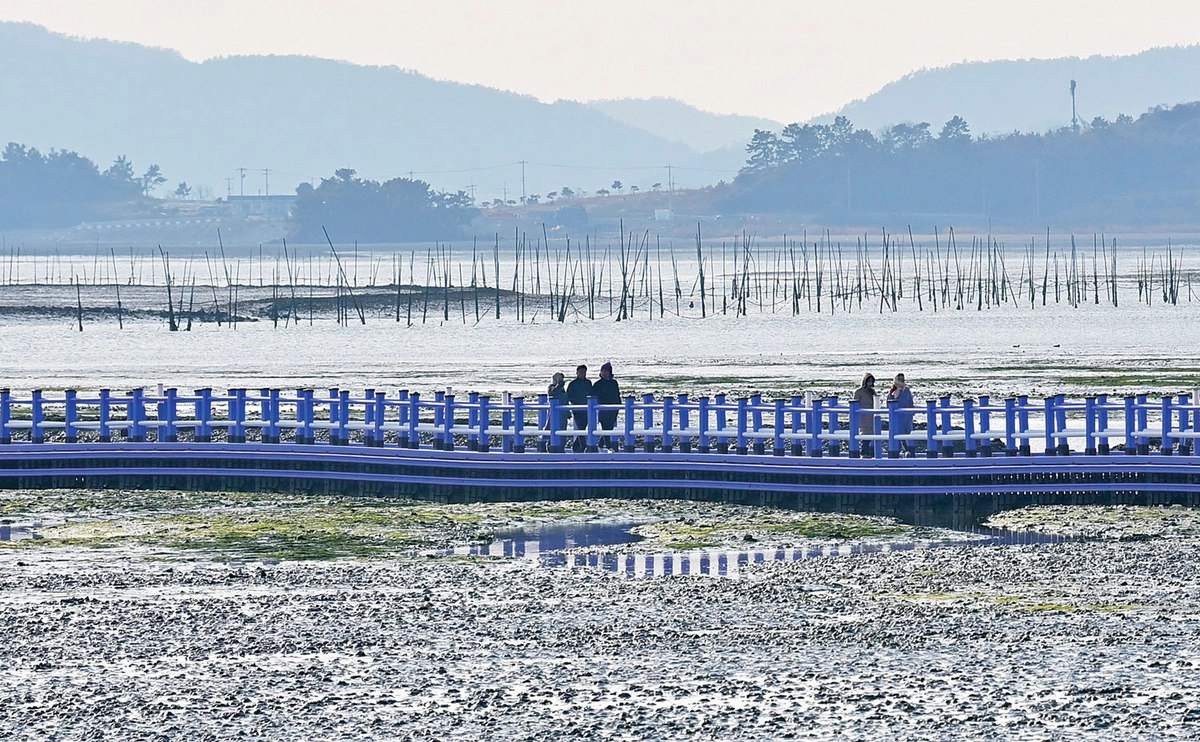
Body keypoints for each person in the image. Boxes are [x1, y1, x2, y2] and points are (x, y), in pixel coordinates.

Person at [592, 361, 621, 450]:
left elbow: (617, 395)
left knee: (609, 428)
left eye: (606, 371)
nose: (604, 373)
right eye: (602, 371)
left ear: (610, 372)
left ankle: (600, 446)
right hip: (603, 409)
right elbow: (593, 396)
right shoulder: (597, 384)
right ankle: (609, 447)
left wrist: (618, 406)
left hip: (613, 409)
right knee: (605, 427)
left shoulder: (614, 383)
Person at [566, 364, 593, 452]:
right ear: (577, 373)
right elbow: (569, 396)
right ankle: (583, 445)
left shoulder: (588, 383)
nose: (583, 374)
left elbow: (591, 393)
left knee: (584, 426)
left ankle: (577, 445)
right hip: (577, 409)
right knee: (581, 426)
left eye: (584, 372)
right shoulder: (572, 384)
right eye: (581, 372)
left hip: (587, 408)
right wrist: (576, 402)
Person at [888, 373, 915, 456]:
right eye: (899, 379)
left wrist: (912, 412)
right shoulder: (892, 391)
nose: (901, 381)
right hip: (897, 417)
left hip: (906, 417)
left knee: (907, 433)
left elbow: (910, 402)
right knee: (897, 433)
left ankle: (909, 451)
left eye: (902, 379)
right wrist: (898, 390)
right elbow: (890, 402)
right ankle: (898, 451)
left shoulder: (907, 390)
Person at [851, 373, 876, 456]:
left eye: (871, 382)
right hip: (863, 416)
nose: (869, 384)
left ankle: (870, 453)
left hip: (872, 416)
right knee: (865, 434)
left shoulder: (872, 392)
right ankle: (864, 453)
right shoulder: (859, 392)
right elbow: (854, 404)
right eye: (868, 381)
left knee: (872, 434)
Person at [544, 372, 568, 449]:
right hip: (554, 413)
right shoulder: (551, 387)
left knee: (563, 429)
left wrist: (568, 412)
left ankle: (561, 446)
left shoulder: (562, 389)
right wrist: (558, 385)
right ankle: (551, 445)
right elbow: (552, 392)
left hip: (563, 413)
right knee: (552, 428)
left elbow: (565, 400)